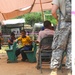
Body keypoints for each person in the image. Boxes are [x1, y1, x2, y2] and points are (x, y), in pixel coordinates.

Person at [49, 0, 71, 75]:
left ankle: (54, 70)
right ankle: (70, 71)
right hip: (73, 26)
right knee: (71, 49)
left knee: (58, 47)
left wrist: (57, 18)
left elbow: (53, 12)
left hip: (62, 25)